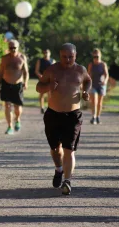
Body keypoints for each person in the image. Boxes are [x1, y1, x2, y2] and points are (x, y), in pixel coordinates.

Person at [36, 43, 92, 195]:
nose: (68, 60)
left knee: (69, 149)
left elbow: (88, 80)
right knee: (55, 149)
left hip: (73, 115)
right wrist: (49, 87)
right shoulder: (52, 70)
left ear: (76, 55)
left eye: (71, 57)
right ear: (59, 55)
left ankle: (67, 181)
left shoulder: (80, 70)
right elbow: (38, 87)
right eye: (64, 57)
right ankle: (59, 169)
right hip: (53, 114)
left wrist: (86, 91)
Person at [0, 39, 29, 134]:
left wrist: (26, 82)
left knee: (17, 107)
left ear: (18, 48)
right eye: (10, 48)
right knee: (7, 106)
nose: (13, 50)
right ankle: (9, 126)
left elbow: (26, 72)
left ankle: (18, 119)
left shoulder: (22, 58)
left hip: (17, 85)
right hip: (6, 84)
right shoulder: (4, 58)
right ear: (8, 48)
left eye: (14, 48)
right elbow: (0, 73)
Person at [87, 48, 109, 125]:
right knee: (94, 102)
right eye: (94, 57)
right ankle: (93, 117)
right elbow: (88, 75)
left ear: (100, 56)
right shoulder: (91, 65)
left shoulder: (103, 64)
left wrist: (105, 81)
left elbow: (106, 75)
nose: (96, 58)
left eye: (97, 57)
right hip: (93, 85)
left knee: (100, 103)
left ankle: (98, 116)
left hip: (102, 85)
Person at [35, 49, 56, 114]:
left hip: (50, 80)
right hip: (42, 79)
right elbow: (36, 71)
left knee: (50, 94)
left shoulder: (53, 61)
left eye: (47, 52)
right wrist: (40, 76)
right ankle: (42, 107)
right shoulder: (40, 61)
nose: (46, 54)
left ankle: (49, 108)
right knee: (41, 94)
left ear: (50, 53)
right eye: (44, 52)